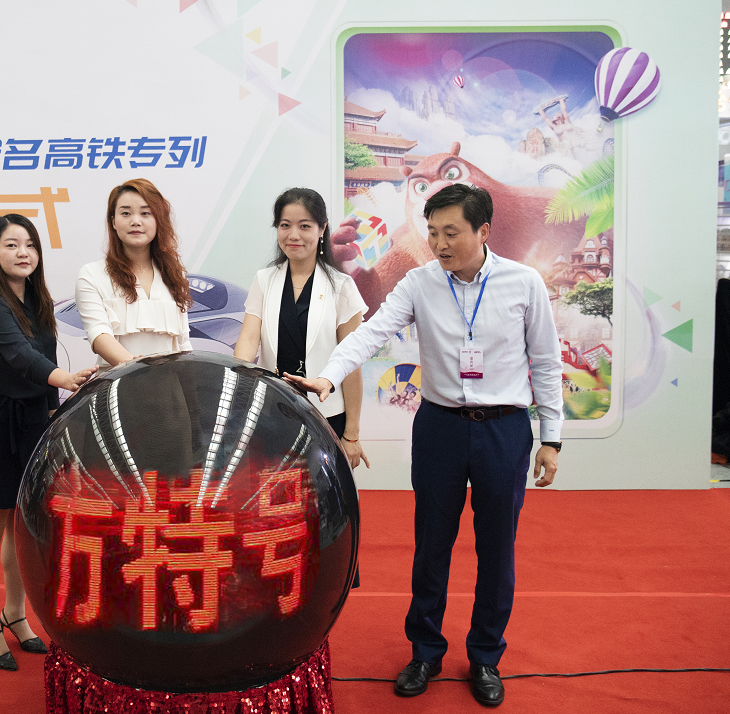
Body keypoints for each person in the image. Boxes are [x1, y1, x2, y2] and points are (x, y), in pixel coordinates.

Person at [285, 184, 562, 707]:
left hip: (504, 428)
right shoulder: (419, 282)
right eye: (432, 232)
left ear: (483, 231)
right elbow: (370, 334)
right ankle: (425, 651)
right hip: (439, 428)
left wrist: (552, 437)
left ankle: (485, 656)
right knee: (432, 543)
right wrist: (328, 376)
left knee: (497, 548)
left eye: (451, 232)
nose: (438, 244)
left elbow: (546, 362)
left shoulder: (524, 283)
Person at [0, 213, 96, 671]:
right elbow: (20, 356)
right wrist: (66, 379)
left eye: (30, 245)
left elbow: (44, 354)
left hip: (34, 421)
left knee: (23, 528)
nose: (23, 253)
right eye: (11, 245)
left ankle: (15, 614)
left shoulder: (39, 300)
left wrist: (55, 409)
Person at [233, 187, 370, 469]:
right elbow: (247, 341)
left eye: (304, 226)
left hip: (326, 415)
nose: (293, 235)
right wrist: (239, 385)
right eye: (285, 225)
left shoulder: (341, 286)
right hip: (271, 412)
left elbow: (351, 364)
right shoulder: (264, 280)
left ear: (322, 229)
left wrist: (352, 435)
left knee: (322, 491)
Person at [75, 178, 192, 368]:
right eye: (126, 213)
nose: (136, 221)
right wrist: (140, 372)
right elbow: (99, 335)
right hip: (117, 384)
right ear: (113, 221)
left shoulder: (174, 274)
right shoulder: (91, 275)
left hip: (170, 382)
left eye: (145, 213)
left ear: (158, 220)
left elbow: (184, 344)